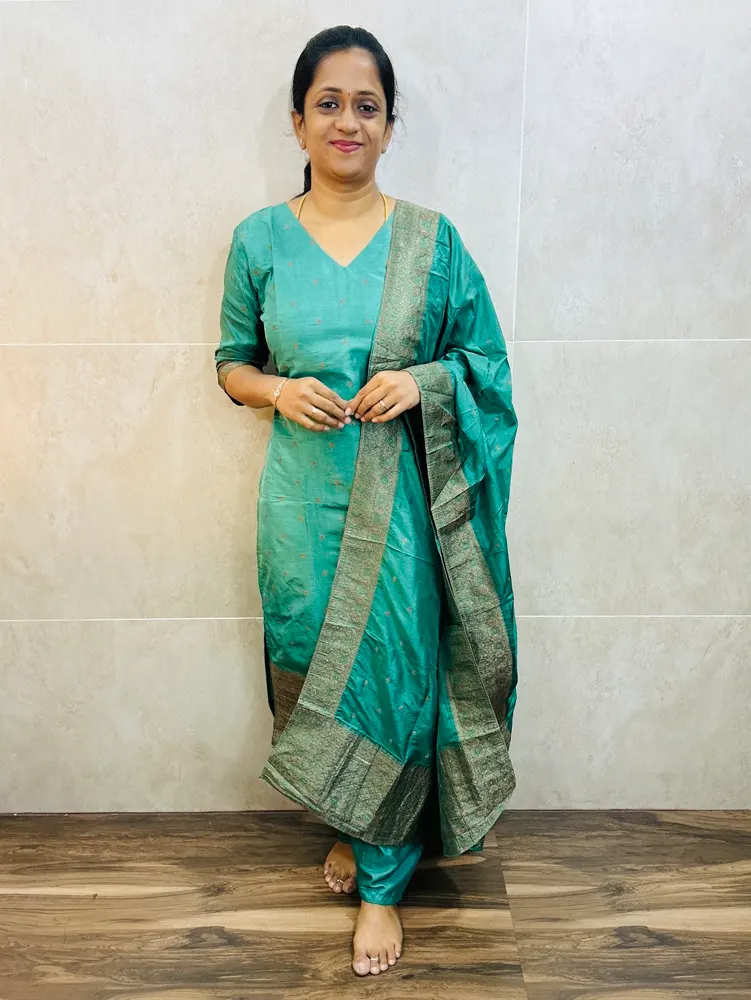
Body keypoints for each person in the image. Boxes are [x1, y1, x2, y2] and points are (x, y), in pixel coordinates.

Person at [215, 24, 519, 978]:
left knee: (389, 676)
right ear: (297, 121)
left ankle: (383, 888)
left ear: (389, 125)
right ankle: (353, 822)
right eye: (329, 103)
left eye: (367, 105)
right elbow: (229, 364)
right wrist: (276, 390)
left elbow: (484, 364)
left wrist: (423, 382)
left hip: (403, 513)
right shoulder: (258, 239)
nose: (347, 121)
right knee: (312, 666)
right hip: (300, 506)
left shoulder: (434, 241)